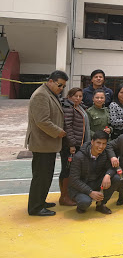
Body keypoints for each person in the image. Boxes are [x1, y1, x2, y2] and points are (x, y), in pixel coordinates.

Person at [26, 70, 68, 216]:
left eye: (63, 86)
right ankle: (35, 207)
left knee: (46, 175)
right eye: (59, 85)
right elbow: (42, 121)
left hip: (47, 144)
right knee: (41, 176)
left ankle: (40, 201)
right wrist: (59, 132)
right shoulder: (41, 95)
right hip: (42, 144)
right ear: (51, 81)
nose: (61, 88)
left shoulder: (49, 93)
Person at [69, 130, 122, 214]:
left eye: (104, 143)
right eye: (98, 143)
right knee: (85, 202)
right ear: (92, 142)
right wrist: (90, 192)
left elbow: (112, 167)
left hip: (96, 182)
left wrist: (107, 175)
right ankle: (81, 206)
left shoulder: (104, 153)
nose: (101, 146)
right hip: (81, 186)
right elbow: (73, 180)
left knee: (115, 178)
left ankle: (101, 205)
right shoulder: (79, 156)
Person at [60, 87, 90, 206]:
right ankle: (64, 197)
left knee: (74, 170)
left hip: (80, 145)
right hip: (70, 146)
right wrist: (71, 144)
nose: (78, 98)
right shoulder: (68, 108)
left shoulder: (80, 107)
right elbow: (68, 127)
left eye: (80, 96)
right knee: (67, 170)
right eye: (75, 96)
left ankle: (70, 194)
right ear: (69, 96)